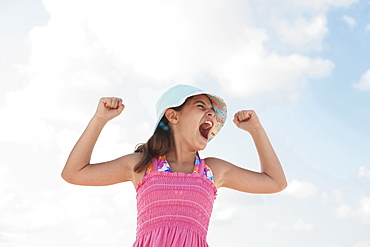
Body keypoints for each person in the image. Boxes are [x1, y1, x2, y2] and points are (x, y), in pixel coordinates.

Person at [61, 84, 287, 247]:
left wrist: (256, 130)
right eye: (200, 106)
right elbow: (74, 173)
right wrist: (99, 119)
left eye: (212, 111)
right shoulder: (142, 166)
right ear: (173, 116)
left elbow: (275, 182)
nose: (210, 113)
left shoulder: (212, 171)